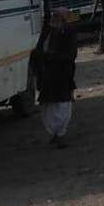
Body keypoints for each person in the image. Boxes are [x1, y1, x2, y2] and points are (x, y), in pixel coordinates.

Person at [35, 8, 78, 148]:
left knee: (62, 106)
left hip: (63, 75)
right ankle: (55, 134)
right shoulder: (47, 32)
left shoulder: (69, 32)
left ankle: (60, 134)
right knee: (47, 106)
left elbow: (71, 55)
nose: (54, 19)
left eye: (57, 16)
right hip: (47, 76)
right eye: (53, 16)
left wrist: (52, 57)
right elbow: (38, 52)